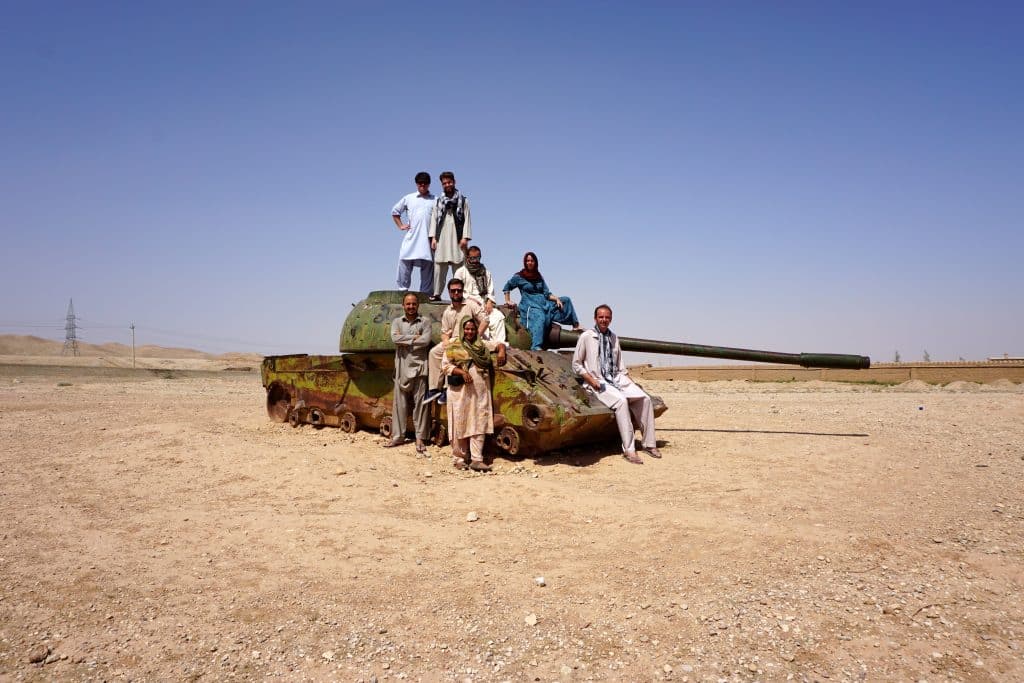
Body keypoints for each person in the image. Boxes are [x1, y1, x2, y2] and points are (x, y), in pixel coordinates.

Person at [572, 304, 661, 464]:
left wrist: (632, 384)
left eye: (607, 317)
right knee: (621, 401)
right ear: (595, 318)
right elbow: (576, 364)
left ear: (610, 319)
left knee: (644, 399)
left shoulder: (614, 338)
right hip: (598, 380)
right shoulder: (587, 336)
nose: (604, 320)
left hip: (617, 378)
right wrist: (592, 380)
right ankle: (629, 450)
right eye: (601, 317)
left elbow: (621, 367)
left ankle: (649, 444)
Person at [442, 318, 506, 471]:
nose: (469, 332)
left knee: (479, 422)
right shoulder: (453, 345)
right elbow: (445, 366)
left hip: (480, 392)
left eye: (472, 329)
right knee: (459, 423)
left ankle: (477, 459)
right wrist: (461, 372)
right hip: (460, 393)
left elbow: (499, 344)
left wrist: (502, 351)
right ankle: (459, 458)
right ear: (462, 330)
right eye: (467, 329)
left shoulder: (481, 345)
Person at [425, 278, 487, 404]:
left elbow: (485, 320)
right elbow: (444, 332)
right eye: (453, 291)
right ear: (449, 292)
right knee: (434, 352)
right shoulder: (448, 311)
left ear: (462, 291)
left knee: (452, 355)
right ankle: (434, 389)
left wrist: (477, 336)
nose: (456, 293)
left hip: (468, 339)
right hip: (453, 341)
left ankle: (447, 390)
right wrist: (446, 343)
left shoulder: (470, 305)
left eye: (459, 290)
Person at [503, 251, 581, 351]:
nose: (529, 262)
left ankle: (575, 325)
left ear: (535, 262)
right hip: (530, 305)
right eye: (527, 261)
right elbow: (507, 287)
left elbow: (547, 293)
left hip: (544, 303)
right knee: (540, 317)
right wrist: (507, 300)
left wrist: (556, 299)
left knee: (566, 300)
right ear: (525, 262)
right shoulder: (519, 277)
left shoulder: (538, 276)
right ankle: (536, 346)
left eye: (531, 260)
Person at [385, 292, 432, 454]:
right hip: (401, 368)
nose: (411, 306)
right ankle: (398, 436)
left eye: (413, 304)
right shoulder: (397, 322)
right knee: (399, 406)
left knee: (421, 406)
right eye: (408, 304)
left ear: (417, 305)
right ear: (403, 305)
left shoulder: (425, 322)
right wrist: (414, 337)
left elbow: (425, 341)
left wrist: (404, 339)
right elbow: (394, 339)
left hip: (419, 368)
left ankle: (420, 438)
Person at [429, 171, 472, 301]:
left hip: (458, 239)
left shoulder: (463, 200)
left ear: (454, 182)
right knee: (438, 268)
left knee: (459, 268)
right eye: (444, 183)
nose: (447, 185)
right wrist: (433, 237)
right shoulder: (438, 201)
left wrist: (465, 237)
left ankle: (459, 295)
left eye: (449, 182)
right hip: (441, 238)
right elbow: (434, 219)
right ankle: (437, 294)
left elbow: (467, 219)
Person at [391, 172, 435, 294]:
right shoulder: (409, 198)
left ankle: (425, 294)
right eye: (420, 183)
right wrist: (401, 225)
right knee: (404, 261)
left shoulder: (435, 200)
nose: (423, 185)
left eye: (425, 183)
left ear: (429, 184)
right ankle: (402, 291)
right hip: (411, 238)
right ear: (416, 184)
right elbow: (395, 212)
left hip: (428, 240)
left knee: (428, 266)